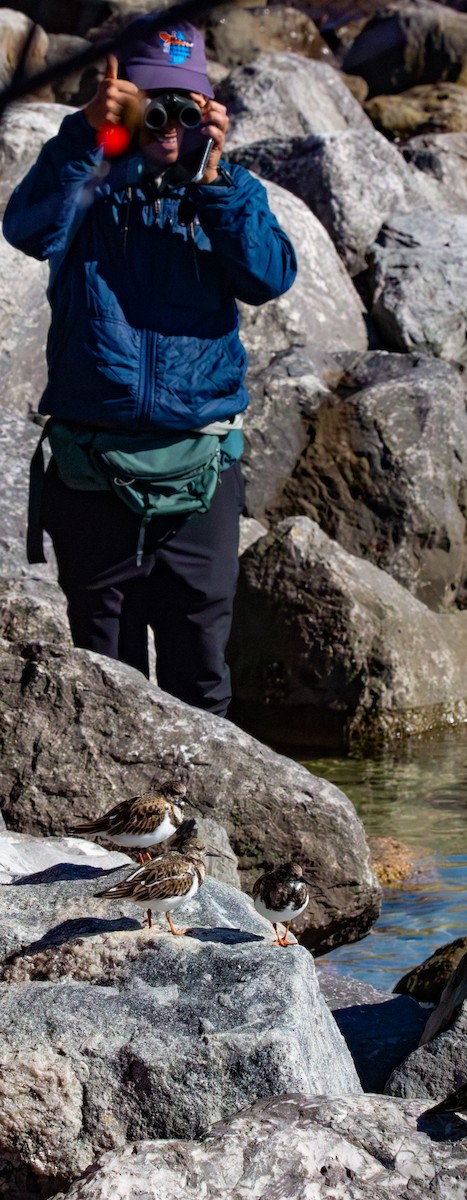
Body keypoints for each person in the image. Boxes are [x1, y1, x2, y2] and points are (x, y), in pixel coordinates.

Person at [2, 14, 297, 717]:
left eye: (184, 104)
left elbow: (268, 276)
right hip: (92, 465)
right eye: (150, 101)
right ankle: (114, 826)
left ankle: (205, 822)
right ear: (119, 95)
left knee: (201, 668)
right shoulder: (87, 184)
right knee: (108, 674)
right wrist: (85, 134)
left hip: (198, 465)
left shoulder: (229, 191)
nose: (167, 121)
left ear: (209, 108)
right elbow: (28, 228)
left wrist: (214, 180)